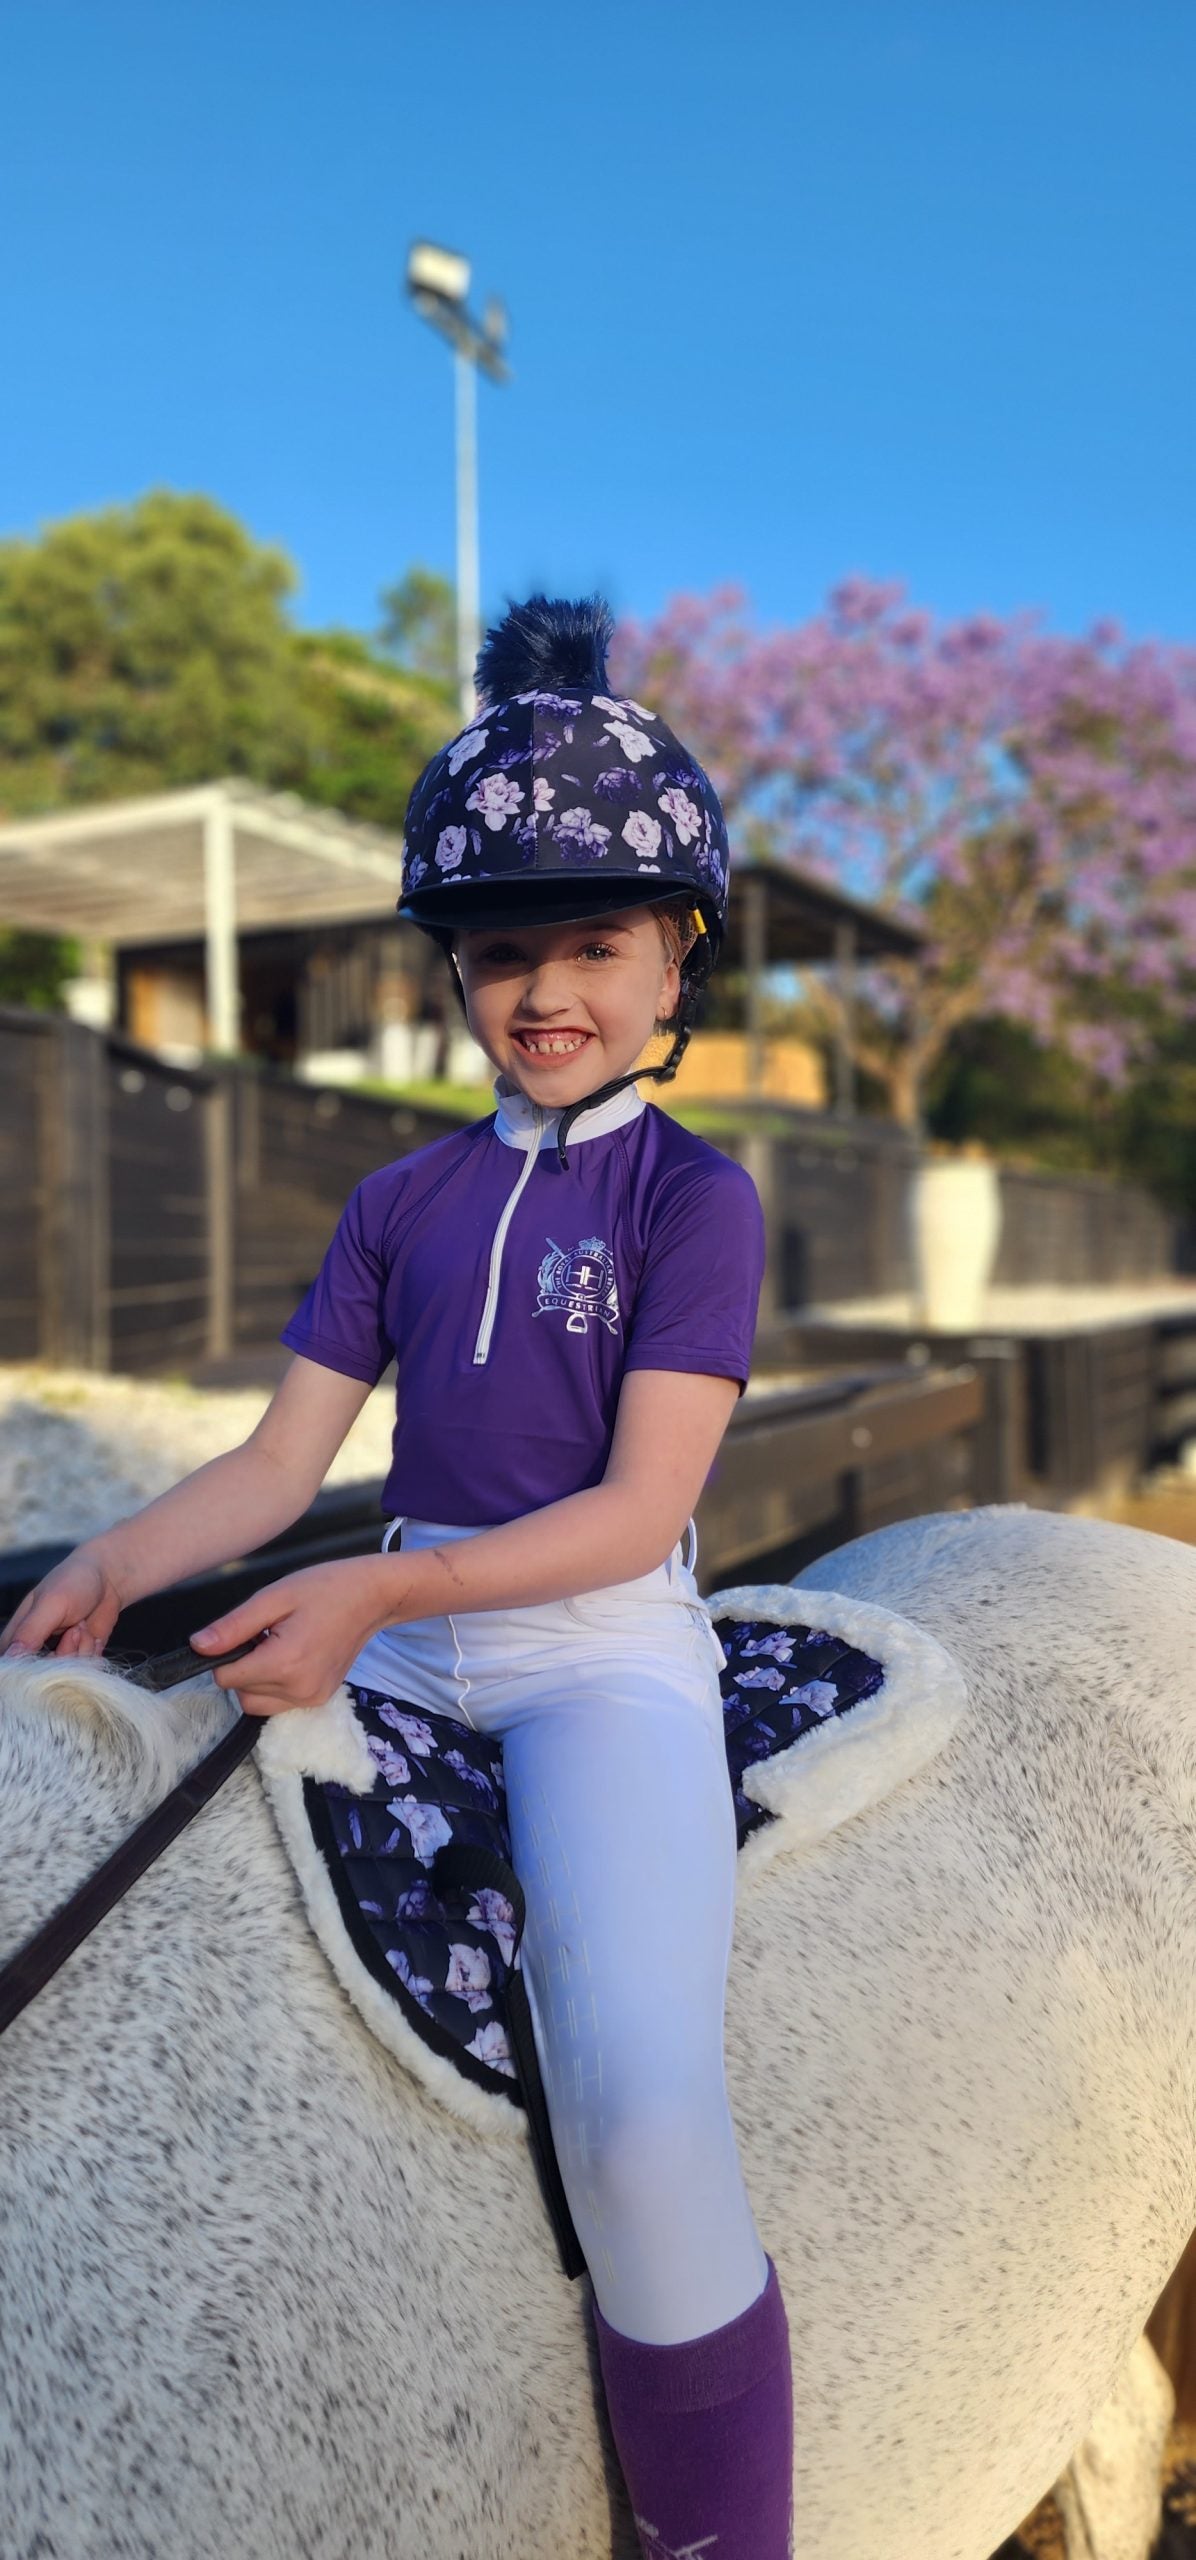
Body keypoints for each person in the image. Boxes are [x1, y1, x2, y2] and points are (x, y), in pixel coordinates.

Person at [2, 595, 794, 2559]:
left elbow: (631, 1517)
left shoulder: (695, 1199)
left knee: (635, 2109)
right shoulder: (396, 1201)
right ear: (448, 969)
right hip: (414, 1629)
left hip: (592, 1657)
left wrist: (368, 1595)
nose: (545, 991)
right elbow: (284, 1466)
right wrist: (111, 1557)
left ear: (671, 948)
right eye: (499, 951)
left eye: (592, 942)